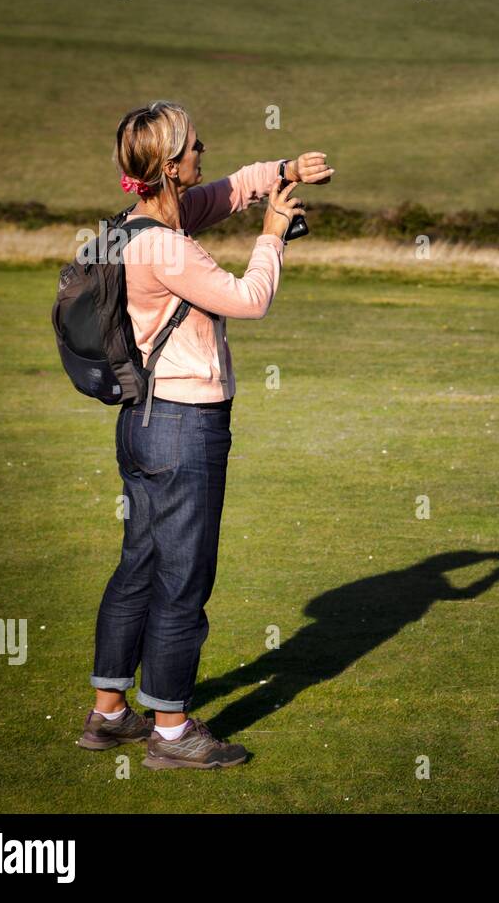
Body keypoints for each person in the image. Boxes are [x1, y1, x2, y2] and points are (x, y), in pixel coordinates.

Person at [75, 100, 333, 769]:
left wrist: (281, 169)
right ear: (167, 165)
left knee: (141, 563)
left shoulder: (136, 227)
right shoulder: (166, 244)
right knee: (183, 576)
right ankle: (170, 730)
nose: (203, 150)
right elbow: (250, 299)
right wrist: (274, 232)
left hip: (140, 421)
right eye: (193, 145)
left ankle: (109, 714)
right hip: (185, 426)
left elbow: (225, 192)